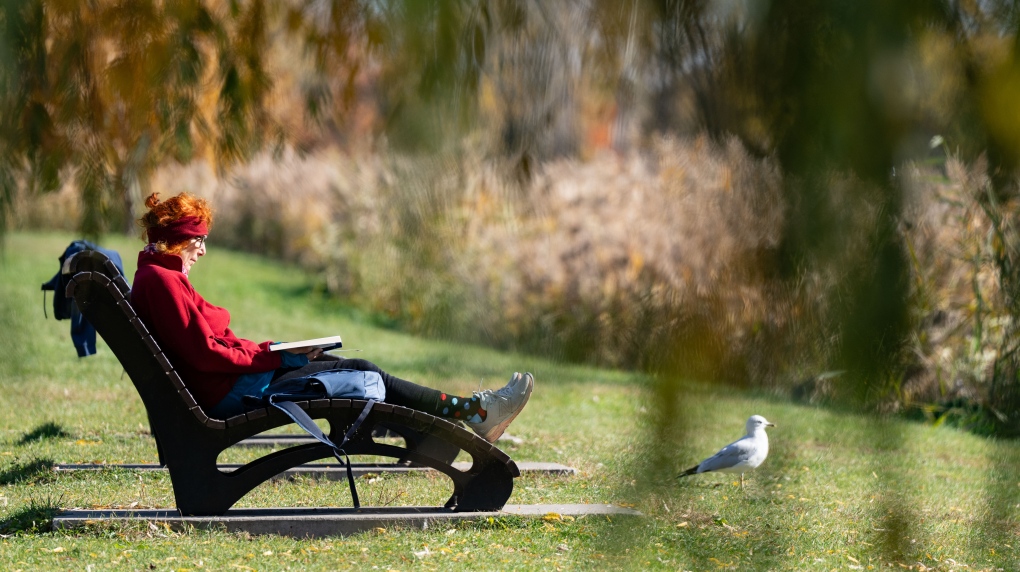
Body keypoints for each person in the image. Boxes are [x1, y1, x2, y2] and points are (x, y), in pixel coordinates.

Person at [130, 192, 533, 443]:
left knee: (349, 369)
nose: (202, 250)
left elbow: (212, 348)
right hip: (230, 394)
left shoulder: (157, 275)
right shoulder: (163, 282)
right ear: (178, 238)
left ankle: (465, 416)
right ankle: (475, 413)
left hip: (232, 384)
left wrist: (276, 351)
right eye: (198, 240)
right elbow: (207, 355)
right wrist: (278, 358)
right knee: (363, 373)